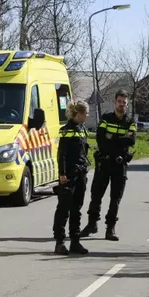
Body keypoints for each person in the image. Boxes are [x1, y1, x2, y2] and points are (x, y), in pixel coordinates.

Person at [80, 89, 136, 241]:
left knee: (115, 198)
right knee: (96, 195)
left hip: (120, 164)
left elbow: (131, 140)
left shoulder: (130, 122)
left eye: (124, 102)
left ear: (127, 104)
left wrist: (111, 137)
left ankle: (110, 228)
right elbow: (100, 138)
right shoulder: (106, 118)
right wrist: (120, 137)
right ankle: (92, 224)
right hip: (104, 162)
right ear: (115, 102)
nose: (121, 105)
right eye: (119, 102)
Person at [53, 100, 91, 255]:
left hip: (80, 173)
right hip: (68, 176)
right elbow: (61, 154)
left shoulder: (82, 129)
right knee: (64, 209)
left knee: (77, 209)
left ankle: (75, 241)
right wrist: (62, 174)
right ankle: (59, 242)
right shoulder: (67, 130)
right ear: (78, 114)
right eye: (86, 113)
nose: (87, 116)